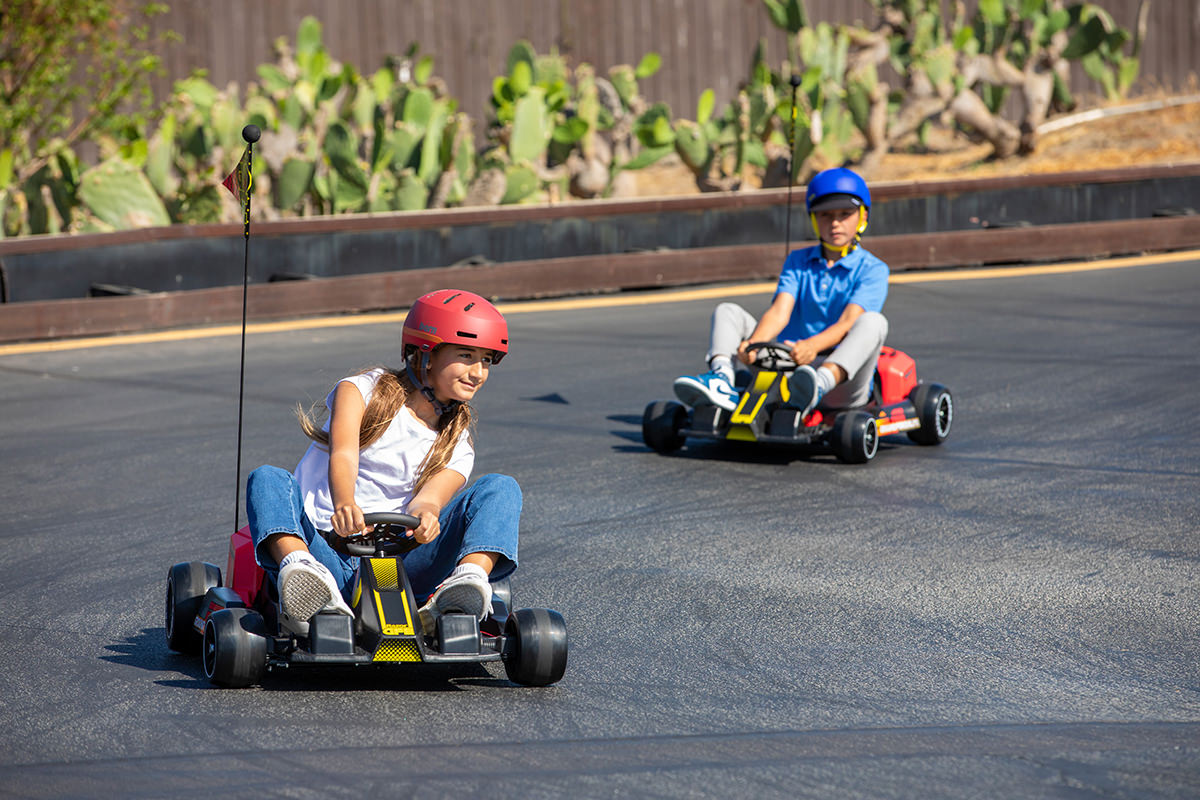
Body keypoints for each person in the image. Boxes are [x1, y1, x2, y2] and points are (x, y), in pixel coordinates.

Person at [244, 288, 519, 638]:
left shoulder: (457, 441)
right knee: (267, 478)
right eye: (466, 355)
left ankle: (467, 584)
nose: (478, 372)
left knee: (500, 487)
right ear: (427, 354)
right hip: (329, 554)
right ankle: (300, 575)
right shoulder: (361, 391)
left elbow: (430, 497)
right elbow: (344, 452)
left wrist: (427, 517)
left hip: (400, 567)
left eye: (486, 360)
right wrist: (345, 504)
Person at [673, 167, 889, 415]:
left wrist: (812, 346)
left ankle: (817, 386)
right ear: (814, 218)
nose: (835, 223)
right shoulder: (798, 260)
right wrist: (754, 345)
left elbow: (848, 322)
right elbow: (779, 313)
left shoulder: (873, 269)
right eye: (825, 215)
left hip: (840, 381)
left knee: (873, 322)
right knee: (727, 311)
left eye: (845, 214)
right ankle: (721, 379)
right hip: (788, 366)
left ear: (862, 217)